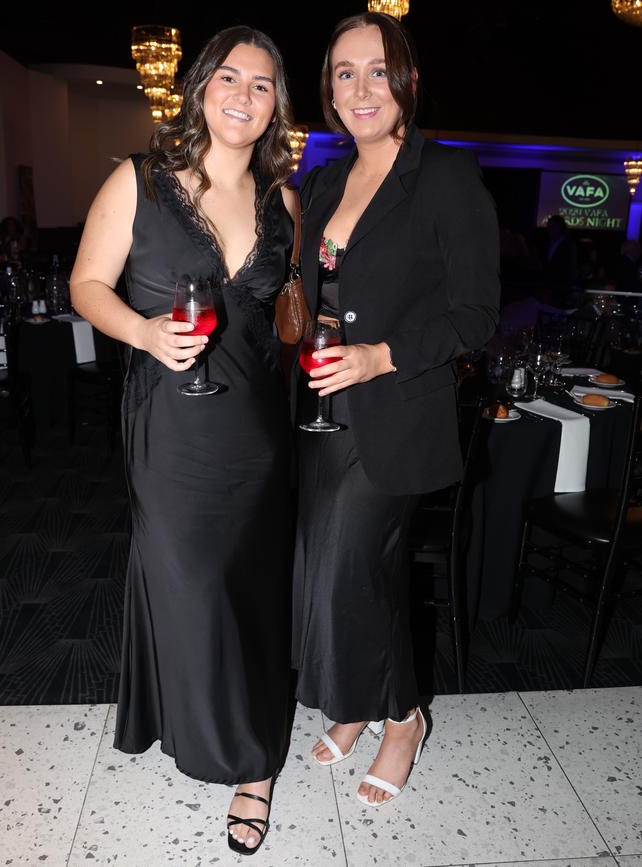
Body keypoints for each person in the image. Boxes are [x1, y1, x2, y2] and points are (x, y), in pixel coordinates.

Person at [69, 26, 296, 856]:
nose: (244, 94)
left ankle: (255, 759)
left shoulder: (285, 201)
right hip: (167, 416)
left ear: (277, 105)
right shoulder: (139, 181)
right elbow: (86, 284)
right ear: (200, 86)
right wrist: (140, 330)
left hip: (258, 424)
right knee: (189, 576)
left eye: (263, 84)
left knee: (253, 581)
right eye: (229, 76)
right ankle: (199, 717)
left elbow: (286, 318)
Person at [291, 12, 500, 807]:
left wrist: (382, 354)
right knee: (323, 571)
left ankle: (403, 715)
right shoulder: (322, 179)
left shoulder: (445, 176)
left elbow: (477, 313)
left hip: (397, 409)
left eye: (377, 70)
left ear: (406, 79)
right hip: (319, 412)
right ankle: (351, 705)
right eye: (345, 73)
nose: (361, 88)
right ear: (329, 90)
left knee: (358, 572)